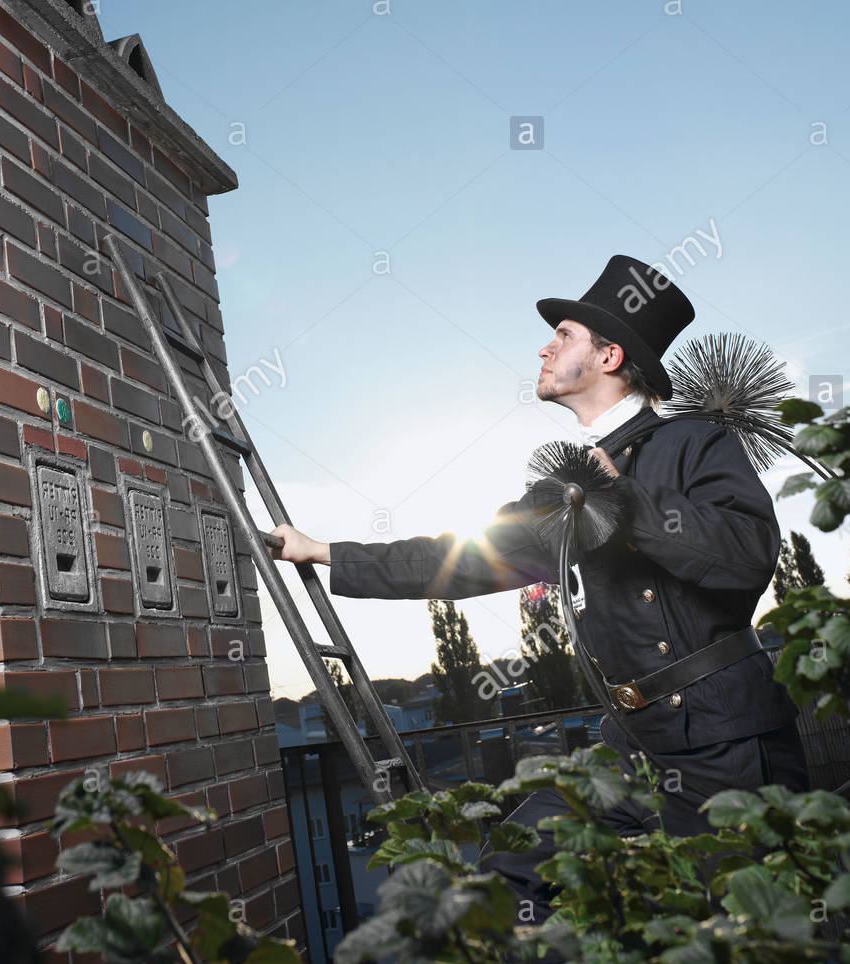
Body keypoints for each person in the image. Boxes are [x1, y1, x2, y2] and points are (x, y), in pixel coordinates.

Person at [269, 254, 808, 921]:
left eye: (564, 337)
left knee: (747, 948)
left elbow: (747, 556)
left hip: (728, 746)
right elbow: (456, 560)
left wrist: (625, 500)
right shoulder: (561, 490)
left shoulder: (694, 442)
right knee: (513, 868)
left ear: (608, 357)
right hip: (634, 745)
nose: (544, 348)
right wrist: (323, 551)